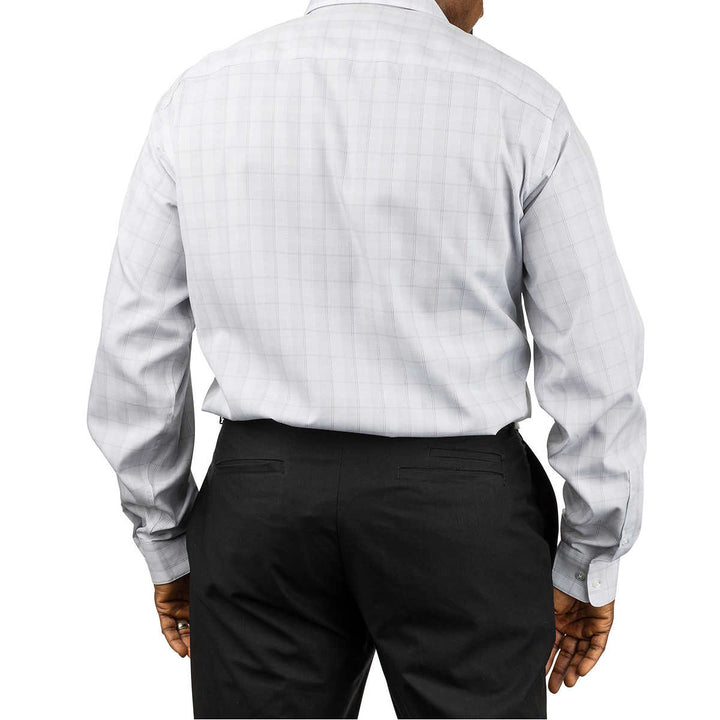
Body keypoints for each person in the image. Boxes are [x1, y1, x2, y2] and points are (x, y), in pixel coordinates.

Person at [86, 1, 646, 717]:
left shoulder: (200, 99)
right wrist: (590, 557)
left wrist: (164, 536)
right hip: (460, 513)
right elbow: (596, 359)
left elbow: (134, 347)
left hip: (261, 509)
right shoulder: (521, 106)